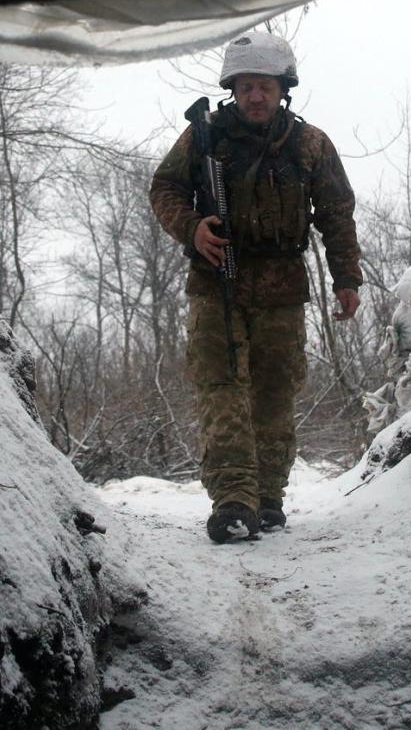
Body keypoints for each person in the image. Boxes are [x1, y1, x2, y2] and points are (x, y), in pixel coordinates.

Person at [149, 32, 362, 544]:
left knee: (274, 394)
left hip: (283, 287)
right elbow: (165, 188)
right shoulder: (205, 136)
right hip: (214, 281)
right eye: (246, 87)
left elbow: (336, 213)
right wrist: (193, 227)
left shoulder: (309, 144)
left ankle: (268, 498)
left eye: (264, 86)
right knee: (222, 391)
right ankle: (233, 500)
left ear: (282, 88)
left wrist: (346, 278)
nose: (256, 97)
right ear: (234, 90)